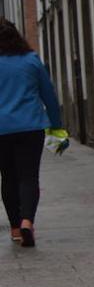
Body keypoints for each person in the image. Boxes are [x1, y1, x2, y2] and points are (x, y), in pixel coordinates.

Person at [0, 18, 61, 248]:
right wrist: (57, 126)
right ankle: (27, 221)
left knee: (8, 177)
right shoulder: (31, 60)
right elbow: (49, 96)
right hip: (30, 127)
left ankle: (15, 228)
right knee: (28, 176)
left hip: (1, 130)